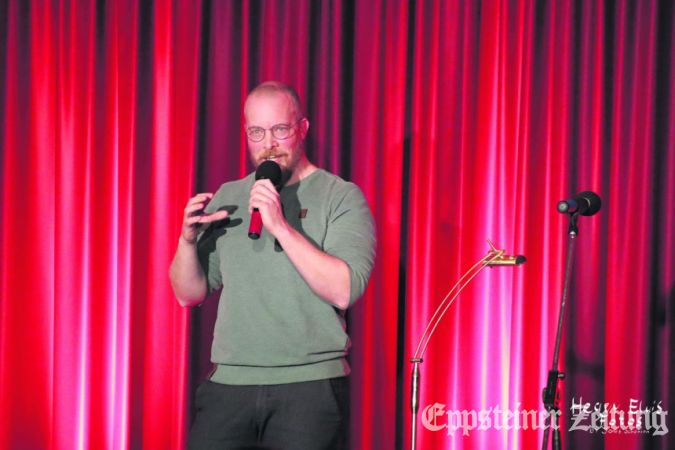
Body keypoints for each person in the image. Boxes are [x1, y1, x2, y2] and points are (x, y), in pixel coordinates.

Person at [169, 81, 376, 450]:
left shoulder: (340, 196)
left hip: (308, 390)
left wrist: (280, 225)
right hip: (229, 386)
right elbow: (189, 294)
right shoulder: (230, 196)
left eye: (280, 130)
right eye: (257, 132)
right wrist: (186, 242)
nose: (269, 144)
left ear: (302, 129)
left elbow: (344, 290)